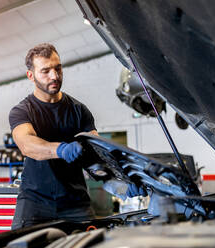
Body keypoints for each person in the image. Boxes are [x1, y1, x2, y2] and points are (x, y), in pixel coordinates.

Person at [9, 43, 144, 230]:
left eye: (58, 68)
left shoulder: (79, 111)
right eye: (45, 71)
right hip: (35, 204)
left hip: (75, 204)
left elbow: (95, 159)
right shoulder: (22, 111)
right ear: (31, 76)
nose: (54, 76)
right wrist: (61, 149)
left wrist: (120, 185)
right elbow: (27, 144)